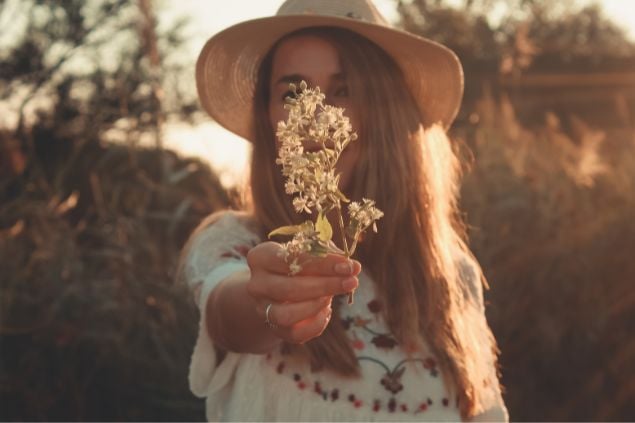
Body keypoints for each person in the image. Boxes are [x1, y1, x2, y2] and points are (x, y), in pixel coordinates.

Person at [178, 0, 509, 421]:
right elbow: (229, 313)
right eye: (292, 93)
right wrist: (269, 302)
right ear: (268, 118)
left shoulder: (452, 274)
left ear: (387, 111)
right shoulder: (234, 243)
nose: (316, 116)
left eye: (345, 89)